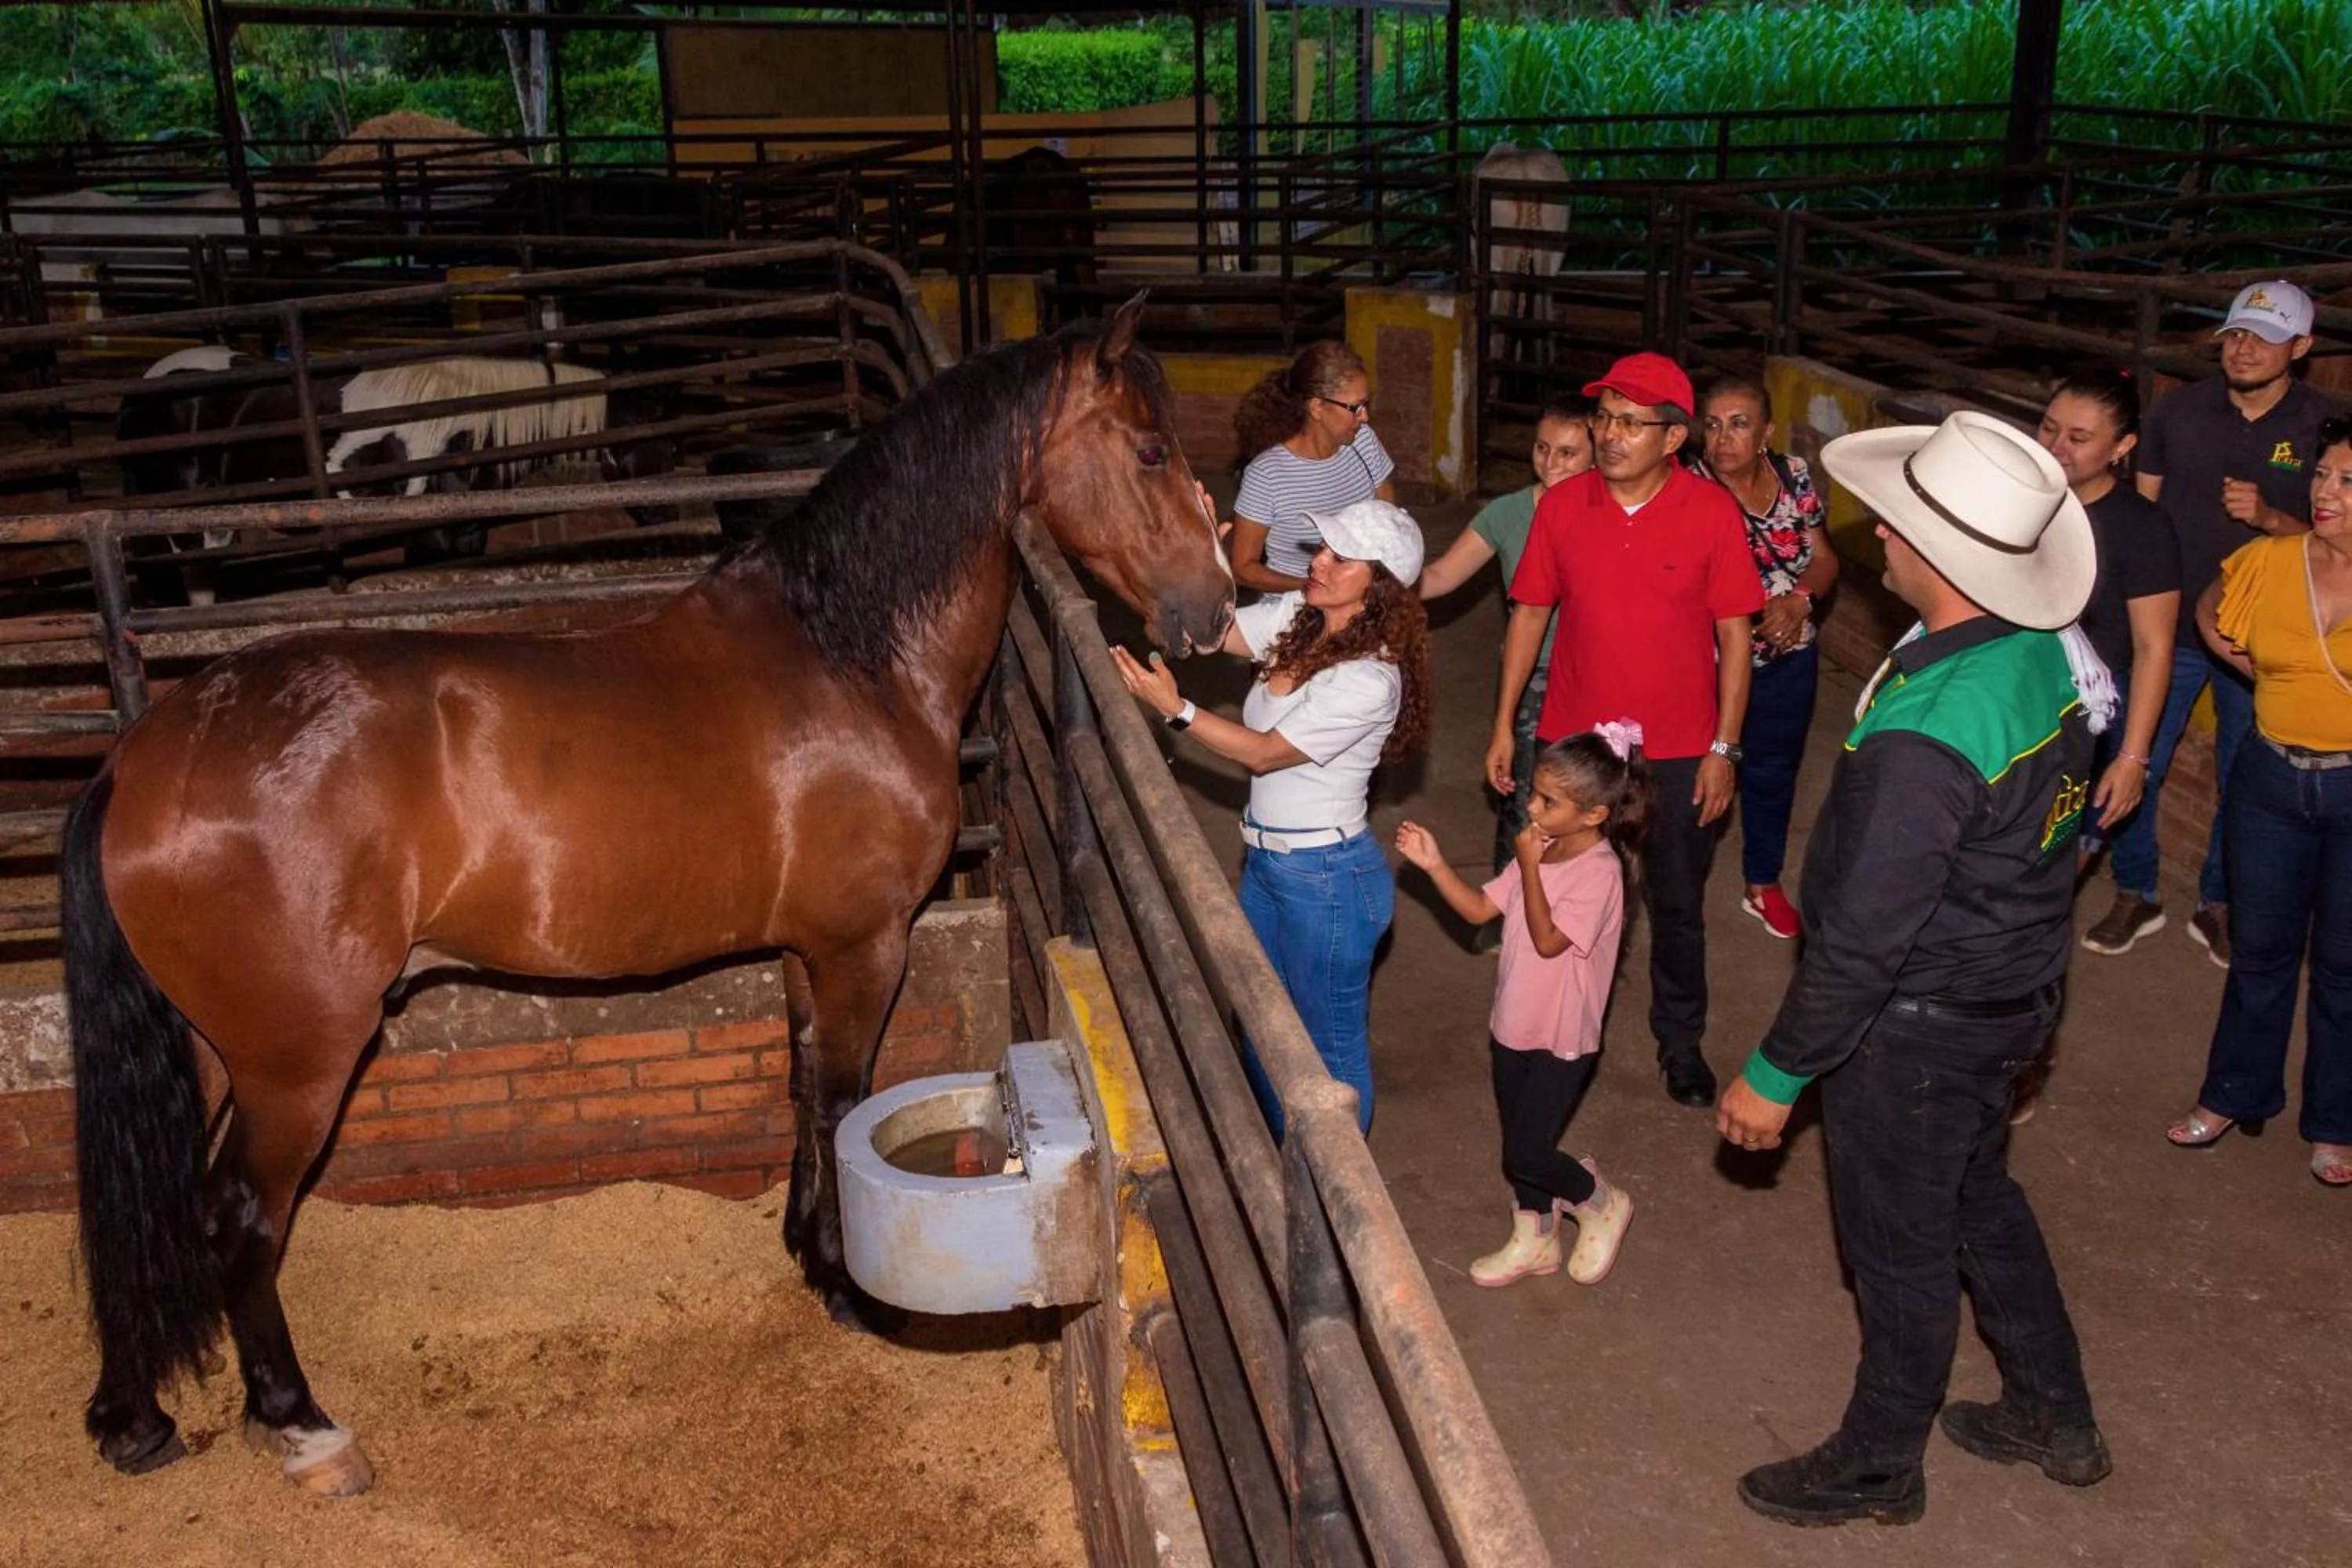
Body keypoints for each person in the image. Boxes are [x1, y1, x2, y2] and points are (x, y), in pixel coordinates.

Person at [1717, 410, 2115, 1528]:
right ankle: (2053, 1410)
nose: (1878, 534)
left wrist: (1779, 1073)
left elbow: (1864, 941)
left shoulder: (1928, 734)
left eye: (1892, 521)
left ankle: (1880, 1461)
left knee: (1898, 1249)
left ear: (1932, 552)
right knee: (1979, 1199)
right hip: (2013, 991)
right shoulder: (2033, 652)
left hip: (1922, 1024)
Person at [1487, 352, 1762, 1108]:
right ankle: (1565, 1029)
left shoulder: (1710, 513)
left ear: (1673, 439)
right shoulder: (1563, 505)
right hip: (1579, 746)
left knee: (1674, 902)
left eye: (1629, 424)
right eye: (1604, 418)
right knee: (1569, 889)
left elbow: (1736, 636)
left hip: (1678, 747)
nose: (1610, 435)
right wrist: (1508, 723)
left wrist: (1724, 748)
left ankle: (1682, 1042)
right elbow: (1531, 615)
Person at [1111, 498, 1431, 1137]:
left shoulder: (1372, 679)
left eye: (1341, 558)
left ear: (1380, 589)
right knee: (1258, 1024)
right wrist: (1196, 548)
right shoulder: (1300, 616)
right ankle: (1287, 1165)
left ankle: (1333, 1203)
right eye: (1321, 548)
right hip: (1268, 865)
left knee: (1330, 1054)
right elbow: (1200, 634)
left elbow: (1264, 756)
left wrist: (1177, 712)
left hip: (1329, 881)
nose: (1318, 562)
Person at [1393, 722, 1649, 1289]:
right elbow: (1481, 911)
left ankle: (1600, 1201)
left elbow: (1549, 939)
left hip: (1562, 1037)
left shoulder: (1600, 873)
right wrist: (1435, 865)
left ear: (1594, 815)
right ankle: (1535, 1238)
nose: (1532, 807)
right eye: (1535, 792)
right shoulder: (1547, 846)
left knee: (1528, 1151)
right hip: (1514, 1021)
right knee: (1520, 1145)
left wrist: (1531, 866)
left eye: (1548, 801)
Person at [2166, 415, 2352, 1188]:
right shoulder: (2271, 558)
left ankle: (2337, 1123)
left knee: (2345, 967)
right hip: (2271, 781)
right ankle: (2232, 1093)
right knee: (2260, 952)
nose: (2326, 492)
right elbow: (2211, 605)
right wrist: (2241, 656)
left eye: (2348, 482)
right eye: (2323, 475)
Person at [2134, 279, 2334, 968]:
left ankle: (2217, 901)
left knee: (2243, 778)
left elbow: (2339, 545)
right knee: (2140, 760)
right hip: (2168, 624)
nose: (2246, 349)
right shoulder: (2178, 411)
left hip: (2266, 638)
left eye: (2267, 338)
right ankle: (2135, 890)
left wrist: (2273, 520)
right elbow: (2143, 512)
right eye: (2237, 334)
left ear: (2302, 348)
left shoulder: (2324, 432)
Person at [2038, 368, 2183, 955]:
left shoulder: (2141, 528)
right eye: (2048, 427)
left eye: (2079, 437)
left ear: (2122, 448)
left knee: (2052, 872)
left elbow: (2154, 649)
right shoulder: (2026, 500)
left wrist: (2132, 757)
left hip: (2098, 717)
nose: (2055, 447)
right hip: (2024, 695)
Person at [1419, 394, 1595, 873]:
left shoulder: (1610, 514)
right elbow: (1439, 578)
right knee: (1528, 799)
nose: (1550, 463)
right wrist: (1378, 575)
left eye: (1567, 453)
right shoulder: (1508, 513)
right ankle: (1505, 914)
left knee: (1596, 804)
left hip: (1599, 674)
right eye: (1541, 448)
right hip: (1534, 671)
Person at [1690, 376, 1839, 940]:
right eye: (1712, 424)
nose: (1723, 437)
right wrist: (1754, 614)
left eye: (1739, 423)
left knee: (1774, 773)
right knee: (1697, 779)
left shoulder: (1793, 476)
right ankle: (1679, 882)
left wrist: (1800, 602)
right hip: (1710, 667)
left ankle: (1763, 881)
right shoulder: (1687, 490)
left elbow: (1824, 558)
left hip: (1788, 659)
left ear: (1766, 432)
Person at [1228, 343, 1397, 595]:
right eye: (1355, 407)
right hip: (1294, 609)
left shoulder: (1364, 441)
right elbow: (1243, 568)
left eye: (1366, 404)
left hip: (1363, 598)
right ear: (1317, 408)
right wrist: (1314, 587)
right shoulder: (1267, 475)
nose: (1365, 417)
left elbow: (1388, 517)